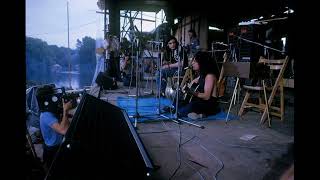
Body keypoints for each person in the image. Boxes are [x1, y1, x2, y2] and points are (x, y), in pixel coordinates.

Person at [165, 51, 220, 119]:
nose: (192, 63)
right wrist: (184, 89)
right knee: (178, 100)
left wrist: (192, 92)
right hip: (200, 101)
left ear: (202, 63)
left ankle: (197, 114)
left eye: (195, 61)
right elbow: (192, 84)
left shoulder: (210, 76)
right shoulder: (202, 75)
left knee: (191, 105)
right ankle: (185, 112)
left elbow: (206, 97)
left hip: (209, 105)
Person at [36, 85, 74, 168]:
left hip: (58, 145)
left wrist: (65, 112)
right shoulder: (46, 115)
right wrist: (65, 110)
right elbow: (64, 130)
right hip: (52, 150)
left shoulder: (50, 110)